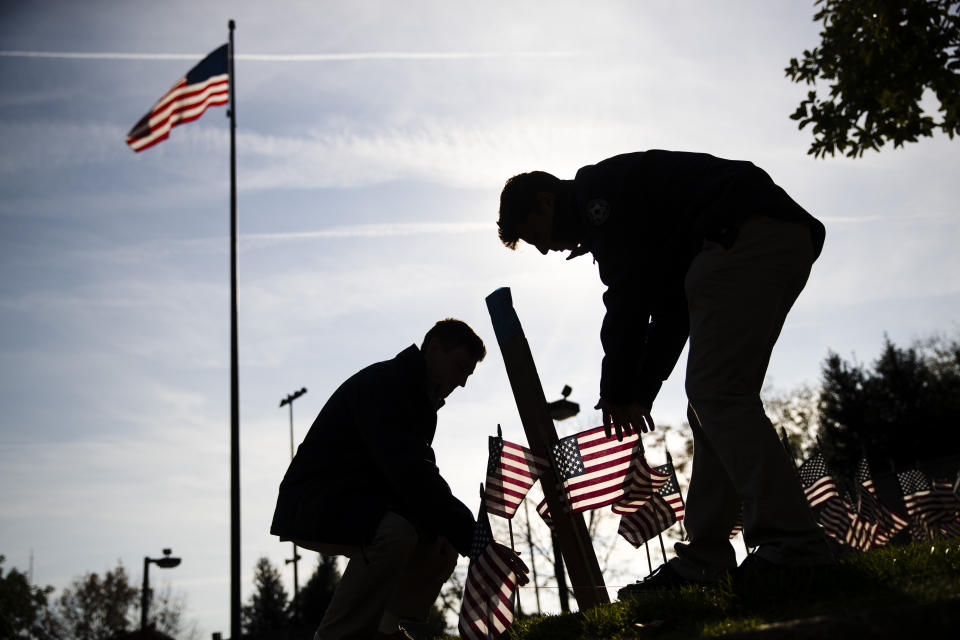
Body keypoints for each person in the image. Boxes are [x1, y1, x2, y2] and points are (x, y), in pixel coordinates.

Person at [496, 150, 833, 593]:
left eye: (533, 234)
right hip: (765, 236)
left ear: (546, 200)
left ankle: (793, 544)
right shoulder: (622, 209)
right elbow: (673, 310)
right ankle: (707, 558)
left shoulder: (599, 197)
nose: (544, 248)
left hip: (745, 233)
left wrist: (616, 391)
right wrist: (640, 393)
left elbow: (628, 299)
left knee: (718, 395)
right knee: (713, 401)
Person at [270, 318, 527, 639]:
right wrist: (479, 541)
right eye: (460, 367)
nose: (462, 382)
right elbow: (412, 476)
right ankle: (337, 635)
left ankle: (384, 629)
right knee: (396, 532)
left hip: (360, 503)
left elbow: (413, 485)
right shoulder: (387, 386)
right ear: (434, 349)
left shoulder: (416, 398)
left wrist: (469, 539)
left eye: (468, 374)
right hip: (315, 501)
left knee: (440, 543)